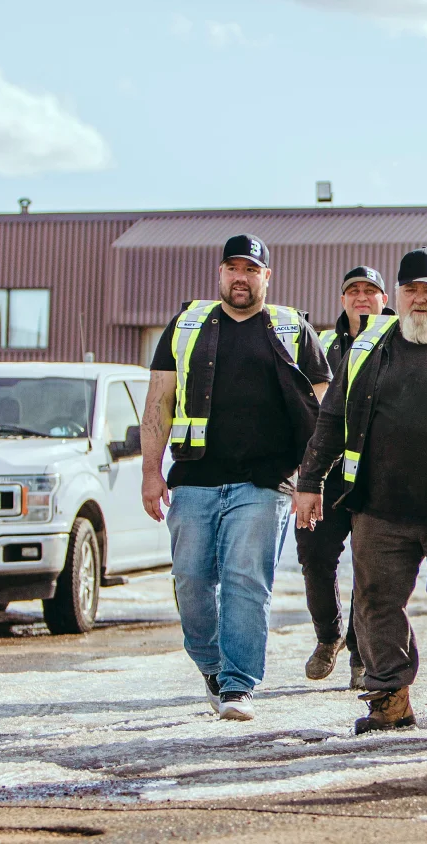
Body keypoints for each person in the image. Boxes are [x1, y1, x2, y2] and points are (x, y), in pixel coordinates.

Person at [296, 249, 427, 734]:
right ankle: (390, 696)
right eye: (412, 291)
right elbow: (331, 418)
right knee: (376, 601)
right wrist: (310, 481)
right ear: (398, 297)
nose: (420, 301)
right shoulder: (368, 348)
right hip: (380, 507)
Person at [140, 234, 331, 720]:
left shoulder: (292, 328)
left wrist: (312, 480)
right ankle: (211, 665)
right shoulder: (186, 326)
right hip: (194, 479)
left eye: (251, 269)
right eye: (232, 268)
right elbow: (159, 401)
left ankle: (238, 685)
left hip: (265, 483)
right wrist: (149, 471)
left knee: (246, 580)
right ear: (220, 273)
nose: (240, 277)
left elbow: (323, 411)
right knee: (190, 580)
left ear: (267, 276)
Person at [297, 265, 389, 688]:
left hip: (379, 476)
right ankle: (327, 636)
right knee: (316, 559)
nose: (362, 298)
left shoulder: (398, 341)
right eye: (354, 291)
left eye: (371, 291)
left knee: (370, 567)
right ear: (342, 300)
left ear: (384, 299)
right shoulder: (324, 344)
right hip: (329, 475)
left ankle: (358, 651)